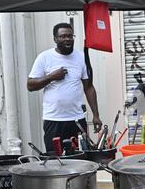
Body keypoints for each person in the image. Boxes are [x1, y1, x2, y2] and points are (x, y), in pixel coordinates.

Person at [27, 23, 102, 152]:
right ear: (55, 39)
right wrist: (51, 77)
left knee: (80, 159)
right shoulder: (44, 57)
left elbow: (89, 87)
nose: (67, 39)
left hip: (77, 120)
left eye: (70, 36)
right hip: (53, 119)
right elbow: (30, 85)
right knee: (56, 160)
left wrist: (96, 115)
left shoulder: (81, 57)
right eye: (63, 36)